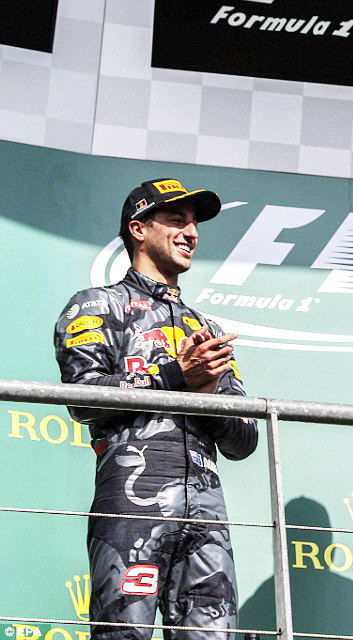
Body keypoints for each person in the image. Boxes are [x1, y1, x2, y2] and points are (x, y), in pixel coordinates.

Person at [53, 178, 258, 639]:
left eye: (194, 223)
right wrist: (176, 377)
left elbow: (245, 441)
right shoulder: (98, 305)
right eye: (176, 220)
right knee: (124, 635)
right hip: (132, 505)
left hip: (207, 513)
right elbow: (83, 398)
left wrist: (206, 395)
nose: (191, 232)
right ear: (138, 229)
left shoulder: (206, 329)